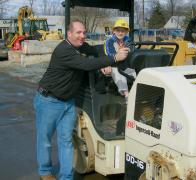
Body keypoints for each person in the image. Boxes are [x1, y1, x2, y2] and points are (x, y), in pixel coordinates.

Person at [33, 20, 129, 180]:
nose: (82, 36)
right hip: (49, 100)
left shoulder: (80, 46)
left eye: (84, 32)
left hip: (68, 102)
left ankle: (66, 177)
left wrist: (106, 60)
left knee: (66, 141)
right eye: (78, 32)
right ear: (69, 34)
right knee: (45, 140)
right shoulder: (63, 50)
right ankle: (45, 171)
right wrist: (113, 58)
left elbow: (96, 50)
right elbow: (86, 64)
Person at [103, 19, 136, 101]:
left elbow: (132, 51)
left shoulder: (128, 40)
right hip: (112, 66)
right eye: (118, 30)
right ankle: (126, 95)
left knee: (134, 72)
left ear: (126, 32)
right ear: (114, 31)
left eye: (123, 31)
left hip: (124, 65)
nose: (120, 33)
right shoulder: (109, 41)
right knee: (118, 72)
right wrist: (120, 52)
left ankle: (136, 92)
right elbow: (110, 54)